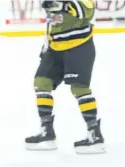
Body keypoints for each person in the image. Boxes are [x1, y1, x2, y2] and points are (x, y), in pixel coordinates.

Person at [25, 0, 105, 154]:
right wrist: (46, 44)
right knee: (41, 82)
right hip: (55, 49)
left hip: (79, 46)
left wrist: (62, 5)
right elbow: (53, 22)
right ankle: (46, 132)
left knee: (79, 88)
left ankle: (95, 135)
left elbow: (86, 12)